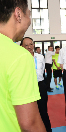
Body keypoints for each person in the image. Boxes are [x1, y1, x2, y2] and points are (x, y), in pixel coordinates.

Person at [0, 0, 46, 131]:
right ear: (18, 14)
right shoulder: (19, 56)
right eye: (29, 14)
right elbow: (30, 123)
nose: (29, 21)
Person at [21, 37, 52, 132]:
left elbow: (42, 71)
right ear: (22, 46)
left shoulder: (40, 57)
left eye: (31, 44)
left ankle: (47, 130)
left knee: (43, 111)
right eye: (26, 45)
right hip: (26, 86)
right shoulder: (20, 58)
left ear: (33, 44)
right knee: (28, 112)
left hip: (40, 85)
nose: (29, 47)